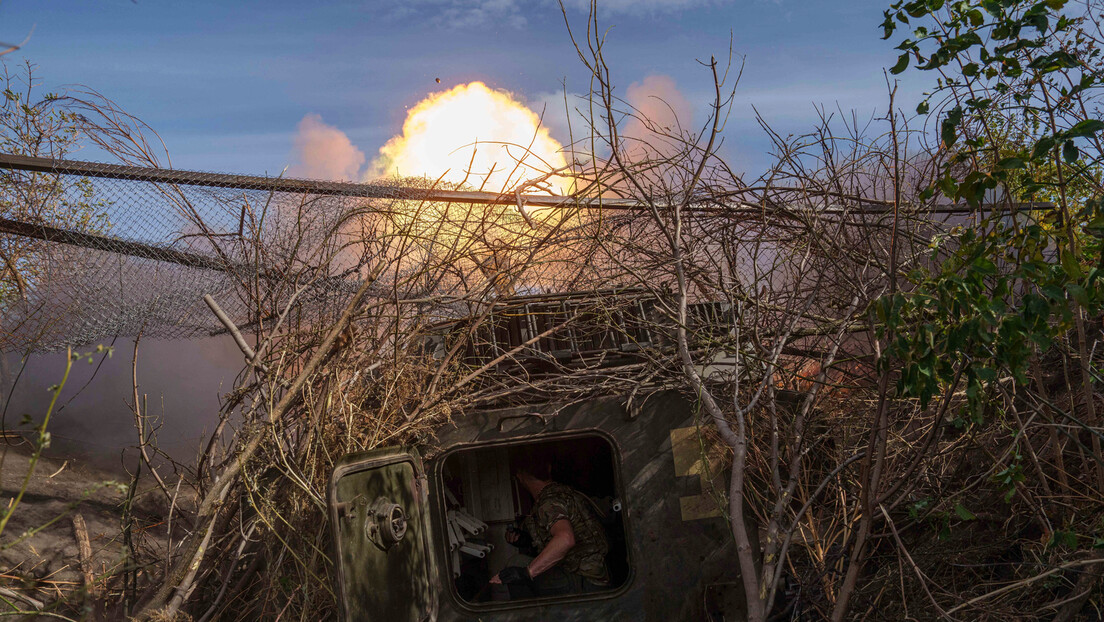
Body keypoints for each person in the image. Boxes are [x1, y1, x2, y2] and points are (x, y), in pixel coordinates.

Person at [489, 458, 610, 598]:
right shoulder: (565, 493)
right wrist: (527, 541)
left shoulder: (548, 502)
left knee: (517, 563)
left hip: (581, 580)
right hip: (596, 575)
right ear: (549, 468)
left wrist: (527, 572)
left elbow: (565, 539)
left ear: (519, 477)